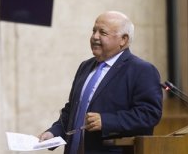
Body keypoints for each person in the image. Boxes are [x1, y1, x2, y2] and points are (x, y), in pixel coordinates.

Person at [39, 11, 163, 154]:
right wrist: (54, 132)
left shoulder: (142, 70)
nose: (94, 37)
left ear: (123, 39)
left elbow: (149, 114)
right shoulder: (85, 67)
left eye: (102, 33)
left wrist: (106, 121)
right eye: (94, 31)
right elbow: (72, 110)